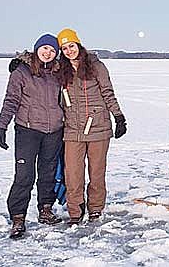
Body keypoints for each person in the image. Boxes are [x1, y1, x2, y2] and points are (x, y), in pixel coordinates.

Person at [0, 34, 64, 239]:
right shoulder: (21, 72)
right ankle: (18, 217)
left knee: (48, 172)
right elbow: (11, 99)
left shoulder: (58, 73)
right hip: (28, 130)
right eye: (44, 49)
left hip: (53, 131)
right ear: (36, 49)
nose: (47, 53)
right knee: (24, 175)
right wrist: (2, 125)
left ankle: (45, 209)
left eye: (52, 50)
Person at [56, 28, 127, 225]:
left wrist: (119, 116)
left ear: (78, 44)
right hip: (72, 129)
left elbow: (108, 92)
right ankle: (75, 210)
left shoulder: (96, 66)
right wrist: (22, 63)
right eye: (64, 48)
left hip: (98, 127)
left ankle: (95, 208)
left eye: (71, 46)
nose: (69, 51)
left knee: (96, 172)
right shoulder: (59, 68)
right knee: (73, 173)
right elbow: (39, 63)